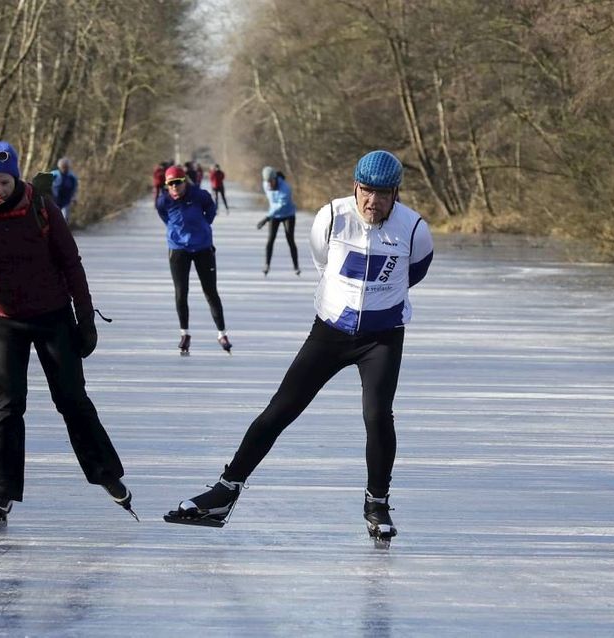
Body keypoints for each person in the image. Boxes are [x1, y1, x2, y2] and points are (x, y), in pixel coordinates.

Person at [165, 150, 434, 542]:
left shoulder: (414, 230)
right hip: (330, 331)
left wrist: (376, 304)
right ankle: (225, 491)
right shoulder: (331, 217)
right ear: (354, 186)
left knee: (377, 416)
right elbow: (323, 262)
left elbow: (414, 273)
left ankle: (377, 503)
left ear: (396, 194)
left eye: (381, 194)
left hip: (382, 337)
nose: (371, 202)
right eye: (365, 191)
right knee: (281, 408)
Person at [0, 141, 135, 524]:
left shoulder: (42, 209)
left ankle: (108, 476)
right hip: (3, 320)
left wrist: (85, 318)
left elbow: (71, 263)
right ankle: (2, 492)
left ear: (16, 178)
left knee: (72, 399)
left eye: (4, 182)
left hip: (52, 316)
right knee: (8, 405)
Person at [155, 164, 231, 355]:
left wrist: (204, 225)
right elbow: (164, 217)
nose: (174, 187)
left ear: (185, 182)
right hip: (178, 250)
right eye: (170, 184)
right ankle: (185, 333)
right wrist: (175, 232)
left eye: (178, 183)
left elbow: (211, 209)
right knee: (181, 293)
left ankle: (222, 333)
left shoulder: (200, 195)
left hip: (203, 248)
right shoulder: (164, 201)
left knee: (210, 292)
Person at [257, 166, 300, 275]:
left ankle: (296, 266)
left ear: (275, 178)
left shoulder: (285, 188)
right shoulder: (265, 185)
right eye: (268, 182)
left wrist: (266, 218)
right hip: (274, 216)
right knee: (270, 240)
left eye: (271, 181)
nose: (269, 185)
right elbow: (272, 201)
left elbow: (281, 206)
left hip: (288, 215)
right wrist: (270, 215)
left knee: (290, 239)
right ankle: (267, 265)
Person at [51, 157, 79, 222]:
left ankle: (62, 230)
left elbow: (75, 188)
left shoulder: (72, 177)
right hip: (54, 200)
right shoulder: (54, 174)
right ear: (59, 167)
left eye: (66, 167)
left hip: (66, 201)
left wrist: (74, 197)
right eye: (63, 167)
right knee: (53, 217)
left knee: (64, 217)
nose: (64, 169)